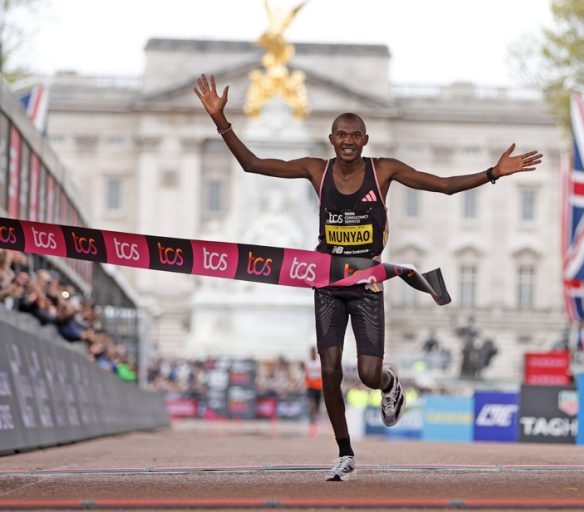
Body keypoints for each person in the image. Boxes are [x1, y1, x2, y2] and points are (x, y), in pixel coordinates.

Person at [193, 74, 542, 481]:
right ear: (330, 138)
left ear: (365, 139)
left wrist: (493, 172)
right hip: (327, 281)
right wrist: (222, 121)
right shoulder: (314, 170)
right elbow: (252, 165)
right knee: (328, 369)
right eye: (341, 134)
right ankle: (344, 452)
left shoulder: (385, 171)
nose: (347, 141)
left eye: (354, 135)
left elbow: (444, 186)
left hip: (368, 284)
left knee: (368, 375)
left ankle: (390, 381)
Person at [302, 346, 323, 437]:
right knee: (312, 402)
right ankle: (311, 419)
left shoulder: (319, 362)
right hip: (310, 387)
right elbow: (306, 374)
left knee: (317, 405)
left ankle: (315, 417)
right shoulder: (307, 362)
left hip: (319, 387)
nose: (313, 354)